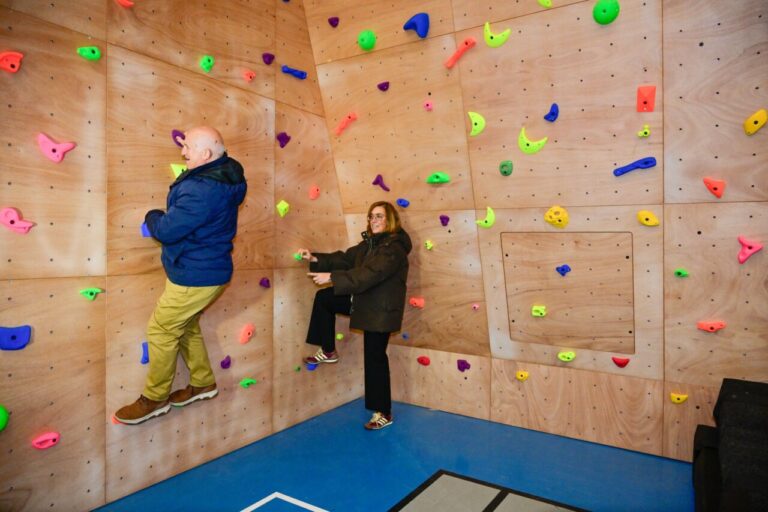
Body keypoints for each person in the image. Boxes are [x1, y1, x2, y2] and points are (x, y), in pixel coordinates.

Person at [115, 126, 247, 425]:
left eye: (187, 147)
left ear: (205, 154)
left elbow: (166, 230)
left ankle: (155, 398)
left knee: (161, 330)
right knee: (185, 325)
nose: (183, 152)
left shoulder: (201, 190)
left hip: (195, 274)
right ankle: (202, 383)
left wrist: (152, 214)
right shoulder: (224, 175)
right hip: (206, 270)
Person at [298, 201, 412, 430]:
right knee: (324, 299)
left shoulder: (394, 248)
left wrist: (332, 277)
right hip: (363, 302)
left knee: (375, 358)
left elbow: (369, 274)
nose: (374, 220)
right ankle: (328, 349)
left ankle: (383, 412)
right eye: (371, 217)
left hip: (380, 311)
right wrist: (315, 259)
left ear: (390, 220)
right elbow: (346, 259)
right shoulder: (369, 244)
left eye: (379, 216)